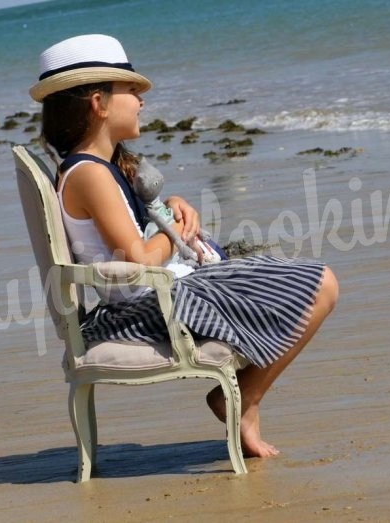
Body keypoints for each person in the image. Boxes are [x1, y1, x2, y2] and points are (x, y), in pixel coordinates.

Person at [29, 34, 338, 458]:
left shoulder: (101, 165)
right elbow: (138, 260)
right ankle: (243, 401)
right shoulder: (89, 173)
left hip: (159, 290)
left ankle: (240, 399)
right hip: (149, 304)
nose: (141, 99)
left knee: (300, 280)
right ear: (98, 103)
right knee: (321, 284)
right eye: (131, 90)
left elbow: (136, 226)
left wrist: (171, 207)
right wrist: (172, 230)